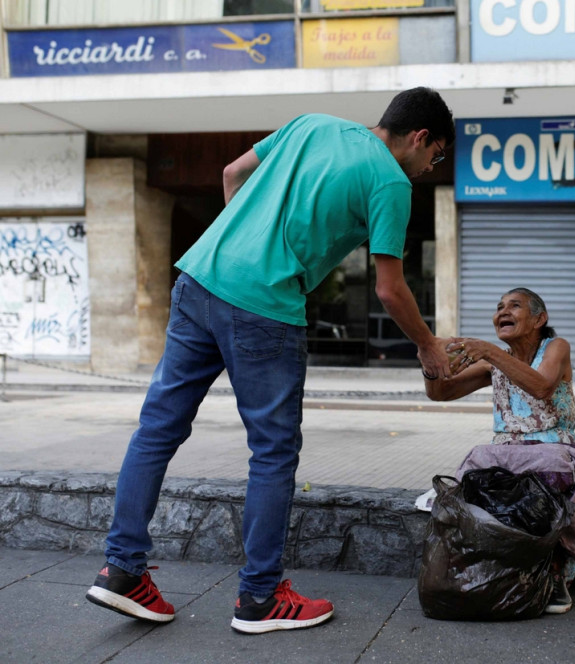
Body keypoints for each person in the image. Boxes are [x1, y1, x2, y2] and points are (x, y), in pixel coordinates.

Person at [85, 87, 456, 635]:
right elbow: (389, 287)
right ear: (421, 137)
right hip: (264, 308)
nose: (431, 168)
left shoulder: (312, 124)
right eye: (437, 156)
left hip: (200, 279)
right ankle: (259, 598)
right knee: (274, 452)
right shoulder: (391, 182)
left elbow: (233, 172)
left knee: (157, 428)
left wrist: (244, 245)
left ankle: (122, 571)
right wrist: (429, 345)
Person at [421, 287, 575, 615]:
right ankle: (488, 564)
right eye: (499, 307)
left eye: (514, 306)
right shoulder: (496, 361)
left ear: (539, 319)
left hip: (552, 446)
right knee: (477, 461)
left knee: (553, 466)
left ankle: (555, 571)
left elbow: (542, 385)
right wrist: (430, 364)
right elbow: (441, 393)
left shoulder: (556, 347)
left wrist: (489, 351)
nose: (502, 312)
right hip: (506, 449)